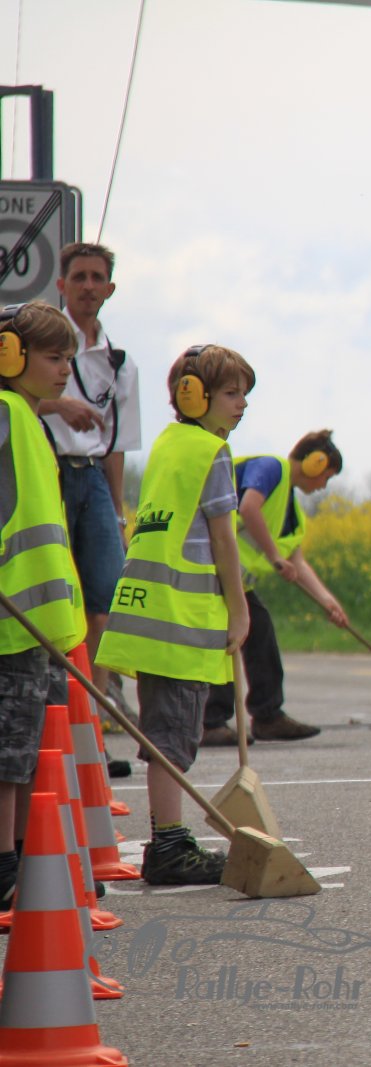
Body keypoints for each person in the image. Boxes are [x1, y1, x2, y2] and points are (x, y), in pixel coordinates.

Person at [95, 344, 253, 885]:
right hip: (181, 623)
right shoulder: (212, 452)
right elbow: (224, 540)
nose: (242, 404)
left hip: (151, 615)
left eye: (245, 394)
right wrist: (239, 610)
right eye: (231, 393)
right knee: (172, 740)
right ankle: (168, 847)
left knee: (164, 732)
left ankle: (169, 839)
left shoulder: (169, 444)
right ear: (193, 395)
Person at [0, 302, 88, 904]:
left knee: (26, 749)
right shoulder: (6, 414)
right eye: (55, 358)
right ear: (10, 355)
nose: (64, 371)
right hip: (10, 619)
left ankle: (29, 857)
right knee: (8, 754)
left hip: (35, 623)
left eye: (69, 359)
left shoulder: (30, 420)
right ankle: (5, 865)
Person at [38, 243, 140, 711]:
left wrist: (117, 513)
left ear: (110, 289)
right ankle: (54, 705)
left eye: (97, 278)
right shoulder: (38, 343)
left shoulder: (120, 363)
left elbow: (118, 443)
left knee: (104, 596)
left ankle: (93, 712)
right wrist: (59, 405)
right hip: (50, 467)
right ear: (61, 285)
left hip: (94, 475)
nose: (88, 286)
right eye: (79, 277)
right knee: (57, 596)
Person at [201, 430, 347, 745]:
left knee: (260, 629)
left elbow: (297, 561)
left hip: (232, 580)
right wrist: (274, 556)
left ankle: (267, 716)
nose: (323, 485)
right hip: (210, 569)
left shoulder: (290, 511)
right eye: (326, 476)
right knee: (224, 642)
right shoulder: (271, 468)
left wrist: (327, 602)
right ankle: (210, 722)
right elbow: (249, 508)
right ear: (314, 462)